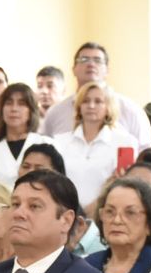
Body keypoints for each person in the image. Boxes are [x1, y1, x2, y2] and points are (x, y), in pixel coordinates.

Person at [54, 81, 139, 209]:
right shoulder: (60, 141)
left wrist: (92, 209)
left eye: (98, 101)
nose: (91, 106)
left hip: (105, 211)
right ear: (79, 106)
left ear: (108, 107)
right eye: (86, 101)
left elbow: (124, 185)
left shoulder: (125, 142)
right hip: (65, 211)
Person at [42, 43, 150, 142]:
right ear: (74, 69)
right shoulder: (55, 112)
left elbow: (145, 150)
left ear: (107, 70)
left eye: (97, 60)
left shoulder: (130, 109)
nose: (91, 64)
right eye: (84, 59)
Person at [0, 82, 51, 186]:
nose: (14, 109)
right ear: (1, 110)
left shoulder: (47, 144)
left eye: (21, 103)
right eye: (9, 103)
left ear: (31, 110)